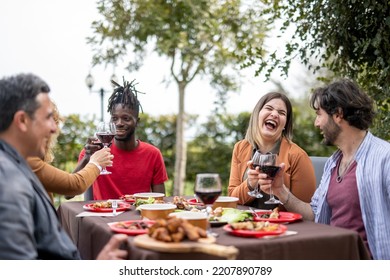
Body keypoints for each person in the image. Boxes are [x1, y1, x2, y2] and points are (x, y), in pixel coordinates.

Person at [0, 73, 128, 259]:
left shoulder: (15, 164)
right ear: (22, 121)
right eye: (48, 118)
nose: (54, 128)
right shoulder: (9, 183)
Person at [260, 79, 390, 259]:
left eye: (319, 114)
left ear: (338, 114)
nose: (316, 123)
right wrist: (280, 190)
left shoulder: (385, 158)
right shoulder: (332, 164)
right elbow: (314, 214)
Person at [75, 78, 168, 200]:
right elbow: (68, 194)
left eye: (126, 118)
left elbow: (159, 202)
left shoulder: (153, 154)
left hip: (139, 218)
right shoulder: (94, 152)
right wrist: (87, 158)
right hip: (103, 217)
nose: (119, 123)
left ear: (137, 122)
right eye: (114, 118)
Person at [228, 92, 316, 210]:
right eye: (269, 108)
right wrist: (250, 184)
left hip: (282, 227)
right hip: (245, 225)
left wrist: (281, 192)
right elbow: (231, 199)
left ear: (285, 124)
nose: (274, 114)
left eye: (281, 113)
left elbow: (309, 213)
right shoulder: (240, 148)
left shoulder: (298, 156)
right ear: (257, 114)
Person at [27, 101, 113, 203]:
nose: (54, 129)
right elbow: (73, 185)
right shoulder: (27, 161)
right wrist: (96, 163)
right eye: (48, 121)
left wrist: (88, 157)